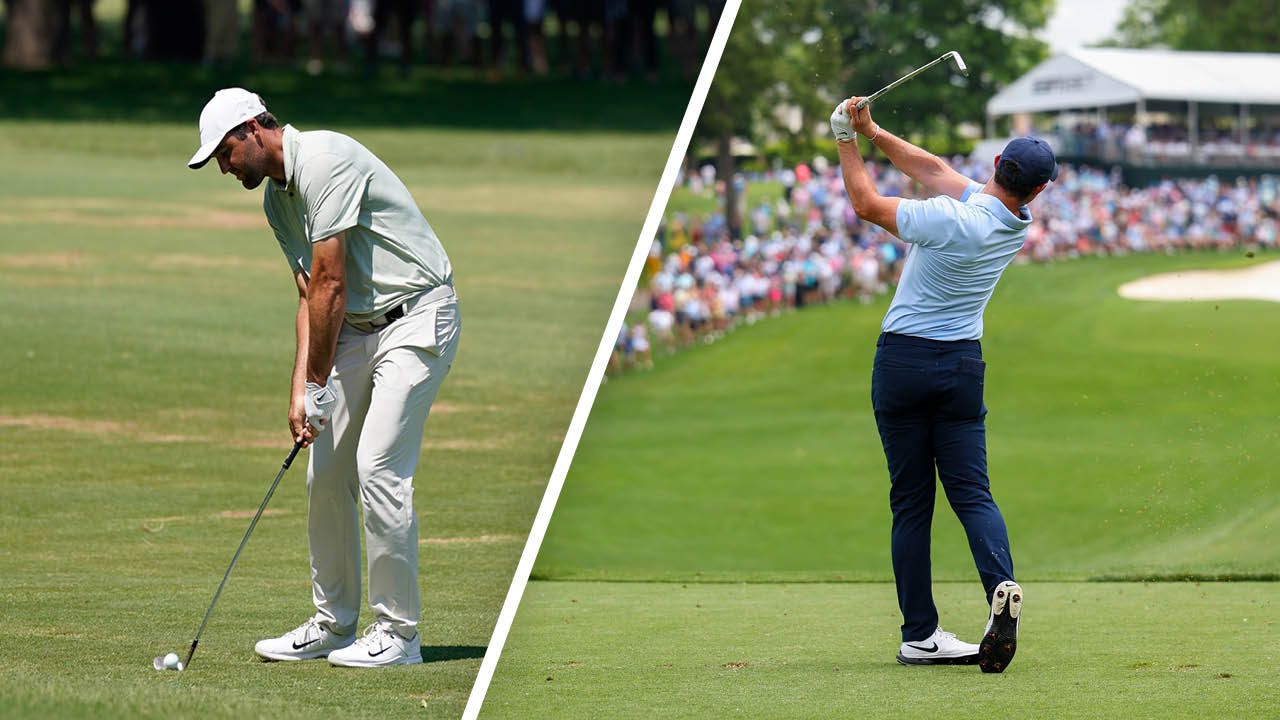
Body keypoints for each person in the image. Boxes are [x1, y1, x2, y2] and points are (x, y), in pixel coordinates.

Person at [187, 88, 460, 668]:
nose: (224, 168)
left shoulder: (326, 160)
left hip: (416, 317)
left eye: (225, 154)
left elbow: (332, 281)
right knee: (326, 474)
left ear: (253, 130)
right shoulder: (276, 203)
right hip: (357, 330)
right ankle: (335, 624)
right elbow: (312, 296)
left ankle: (399, 634)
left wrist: (318, 385)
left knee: (378, 466)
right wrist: (299, 393)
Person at [831, 96, 1045, 673]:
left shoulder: (952, 218)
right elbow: (931, 169)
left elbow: (866, 204)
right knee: (973, 493)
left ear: (996, 162)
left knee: (911, 504)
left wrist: (844, 141)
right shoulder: (1013, 223)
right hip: (962, 370)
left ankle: (919, 634)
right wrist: (873, 131)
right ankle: (1001, 585)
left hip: (903, 363)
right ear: (1037, 191)